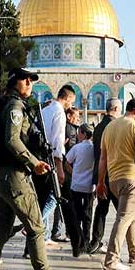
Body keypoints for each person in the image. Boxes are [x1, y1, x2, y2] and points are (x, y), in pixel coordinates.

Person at [0, 68, 74, 270]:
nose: (29, 83)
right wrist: (34, 162)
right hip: (14, 175)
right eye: (25, 79)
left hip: (0, 175)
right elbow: (12, 139)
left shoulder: (3, 105)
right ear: (13, 82)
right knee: (36, 228)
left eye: (31, 80)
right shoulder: (14, 107)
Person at [97, 99, 135, 270]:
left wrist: (101, 182)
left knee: (132, 215)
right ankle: (111, 259)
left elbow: (103, 158)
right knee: (124, 218)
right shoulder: (134, 127)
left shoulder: (109, 127)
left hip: (114, 180)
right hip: (131, 178)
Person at [41, 85, 76, 242]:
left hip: (39, 157)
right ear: (68, 98)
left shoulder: (46, 107)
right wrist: (60, 168)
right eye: (71, 101)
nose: (71, 105)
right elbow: (57, 142)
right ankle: (36, 223)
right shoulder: (59, 112)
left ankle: (43, 236)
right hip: (51, 159)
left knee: (41, 197)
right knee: (55, 195)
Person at [89, 99, 121, 254]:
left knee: (102, 208)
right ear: (115, 108)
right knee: (123, 211)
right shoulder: (115, 126)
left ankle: (95, 240)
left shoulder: (99, 127)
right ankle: (131, 243)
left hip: (100, 173)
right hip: (112, 173)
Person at [64, 123, 95, 256]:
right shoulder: (94, 148)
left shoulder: (77, 148)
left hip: (76, 185)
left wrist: (73, 173)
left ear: (83, 134)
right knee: (87, 215)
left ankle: (79, 240)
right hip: (89, 187)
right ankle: (87, 241)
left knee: (76, 214)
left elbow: (66, 162)